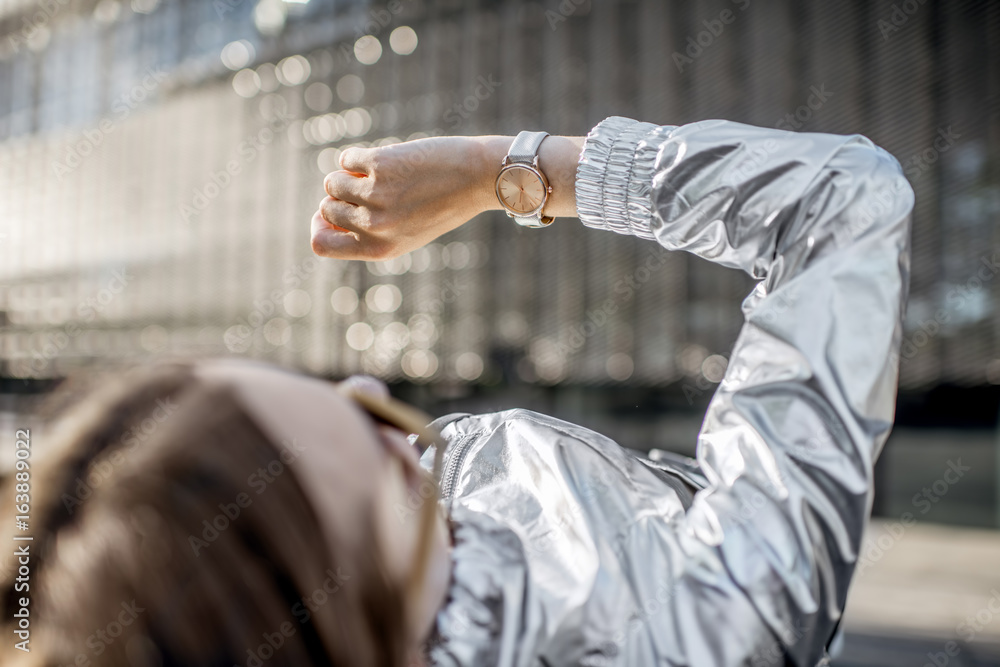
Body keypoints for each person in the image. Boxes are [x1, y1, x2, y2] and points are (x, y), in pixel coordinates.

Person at [1, 116, 912, 666]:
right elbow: (841, 203)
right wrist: (508, 169)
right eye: (372, 436)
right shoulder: (703, 630)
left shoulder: (406, 584)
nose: (367, 388)